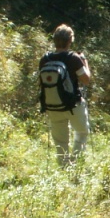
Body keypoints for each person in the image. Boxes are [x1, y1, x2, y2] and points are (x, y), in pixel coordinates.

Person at [39, 24, 92, 165]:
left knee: (60, 140)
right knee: (82, 132)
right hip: (73, 104)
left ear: (54, 40)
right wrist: (85, 62)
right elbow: (86, 80)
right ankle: (76, 162)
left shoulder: (45, 59)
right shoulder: (74, 58)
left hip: (52, 105)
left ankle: (64, 166)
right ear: (70, 41)